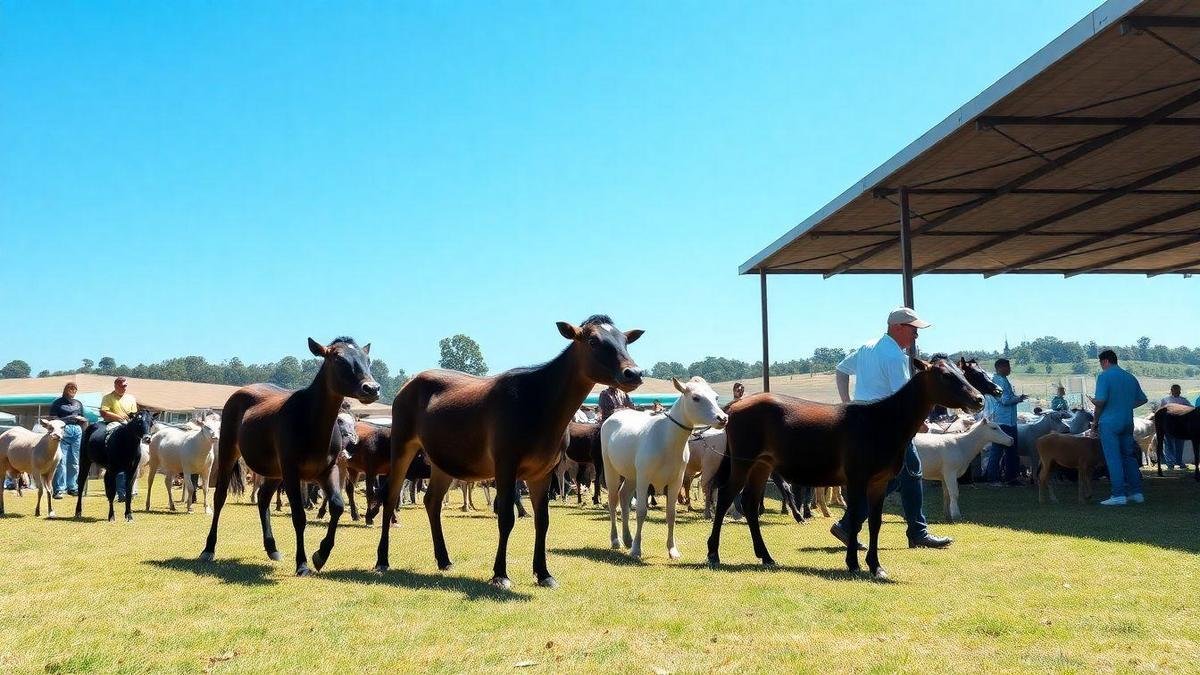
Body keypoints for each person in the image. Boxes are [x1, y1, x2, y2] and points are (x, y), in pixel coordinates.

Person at [829, 307, 952, 550]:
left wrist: (847, 402)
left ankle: (848, 524)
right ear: (897, 327)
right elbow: (904, 397)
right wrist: (919, 423)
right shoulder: (895, 357)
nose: (916, 335)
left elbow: (841, 369)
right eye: (913, 329)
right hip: (889, 427)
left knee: (893, 478)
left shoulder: (867, 347)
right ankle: (917, 533)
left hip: (863, 423)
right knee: (910, 473)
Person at [1091, 350, 1148, 506]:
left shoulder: (1104, 376)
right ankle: (1136, 492)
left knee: (1113, 458)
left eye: (1101, 363)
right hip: (1127, 421)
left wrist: (1094, 420)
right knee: (1129, 456)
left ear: (1105, 361)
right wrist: (1126, 405)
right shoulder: (1130, 377)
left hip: (1109, 422)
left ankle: (1118, 494)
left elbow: (1101, 402)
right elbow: (1143, 399)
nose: (1101, 366)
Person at [985, 359, 1026, 485]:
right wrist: (1018, 399)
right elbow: (1004, 400)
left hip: (1008, 420)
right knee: (1001, 450)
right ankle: (998, 478)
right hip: (1004, 421)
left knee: (1007, 450)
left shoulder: (1003, 380)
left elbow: (1007, 398)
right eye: (1007, 367)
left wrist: (1017, 398)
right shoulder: (999, 381)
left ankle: (1006, 477)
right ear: (1000, 367)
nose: (1009, 369)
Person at [99, 376, 139, 502]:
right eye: (122, 386)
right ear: (116, 386)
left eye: (125, 386)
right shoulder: (108, 397)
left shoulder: (131, 398)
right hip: (114, 424)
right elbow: (104, 412)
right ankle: (108, 450)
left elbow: (133, 414)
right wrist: (118, 417)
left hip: (128, 425)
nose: (124, 388)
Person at [50, 382, 89, 499]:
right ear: (65, 389)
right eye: (70, 388)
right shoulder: (57, 403)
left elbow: (83, 418)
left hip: (77, 430)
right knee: (61, 460)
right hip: (63, 429)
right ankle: (59, 489)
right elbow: (53, 418)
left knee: (74, 461)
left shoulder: (78, 403)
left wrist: (82, 423)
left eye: (74, 389)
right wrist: (68, 418)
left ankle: (72, 487)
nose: (72, 390)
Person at [1158, 384, 1191, 470]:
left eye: (1178, 390)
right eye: (1175, 390)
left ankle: (1179, 462)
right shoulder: (1165, 400)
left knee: (1179, 444)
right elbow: (1161, 412)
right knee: (1169, 444)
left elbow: (1191, 409)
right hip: (1169, 424)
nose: (1178, 392)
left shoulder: (1184, 400)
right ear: (1172, 390)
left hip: (1180, 425)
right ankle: (1170, 463)